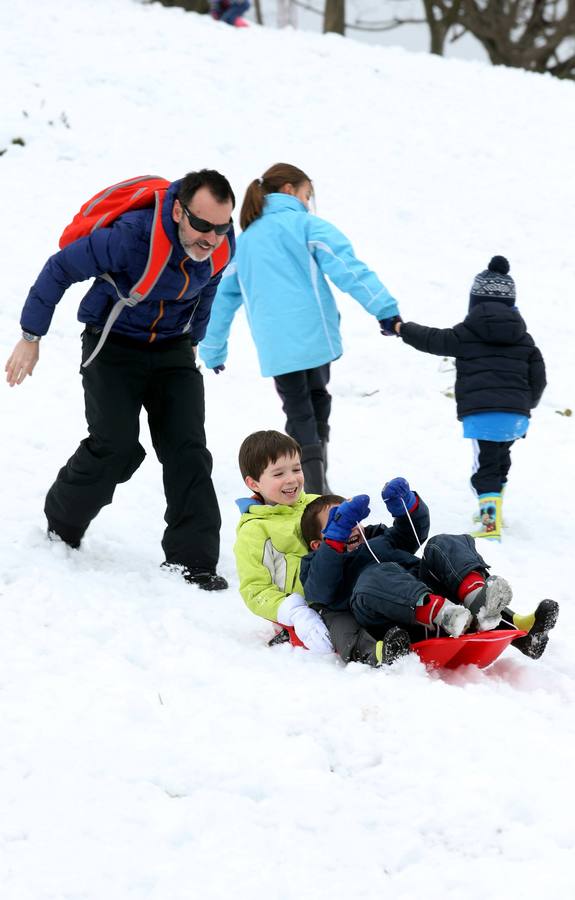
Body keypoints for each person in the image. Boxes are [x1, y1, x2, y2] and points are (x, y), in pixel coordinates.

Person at [5, 170, 236, 591]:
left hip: (172, 349)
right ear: (180, 211)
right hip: (112, 344)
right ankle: (63, 521)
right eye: (202, 226)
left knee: (188, 449)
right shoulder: (132, 237)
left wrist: (195, 343)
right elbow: (59, 269)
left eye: (220, 228)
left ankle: (193, 561)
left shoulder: (221, 245)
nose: (211, 238)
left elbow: (207, 290)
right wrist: (30, 336)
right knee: (115, 445)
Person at [201, 162, 402, 493]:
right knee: (318, 400)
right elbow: (348, 269)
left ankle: (311, 484)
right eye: (307, 194)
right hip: (316, 339)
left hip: (278, 348)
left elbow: (222, 299)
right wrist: (385, 310)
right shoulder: (306, 225)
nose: (308, 202)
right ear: (290, 190)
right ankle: (314, 489)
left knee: (299, 411)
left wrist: (212, 348)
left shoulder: (246, 242)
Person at [300, 482, 559, 661]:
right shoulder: (317, 564)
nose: (351, 526)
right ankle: (445, 614)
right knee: (375, 576)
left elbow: (412, 533)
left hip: (443, 598)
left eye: (350, 518)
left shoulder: (379, 538)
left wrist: (408, 506)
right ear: (317, 543)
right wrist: (336, 538)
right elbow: (319, 590)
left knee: (442, 544)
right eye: (338, 521)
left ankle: (479, 599)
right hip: (398, 616)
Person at [393, 256, 546, 540]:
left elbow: (431, 339)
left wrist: (401, 328)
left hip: (483, 415)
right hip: (515, 416)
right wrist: (527, 405)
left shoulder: (466, 334)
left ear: (474, 303)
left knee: (484, 466)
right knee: (500, 460)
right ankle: (493, 510)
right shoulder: (524, 339)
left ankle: (489, 523)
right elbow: (538, 376)